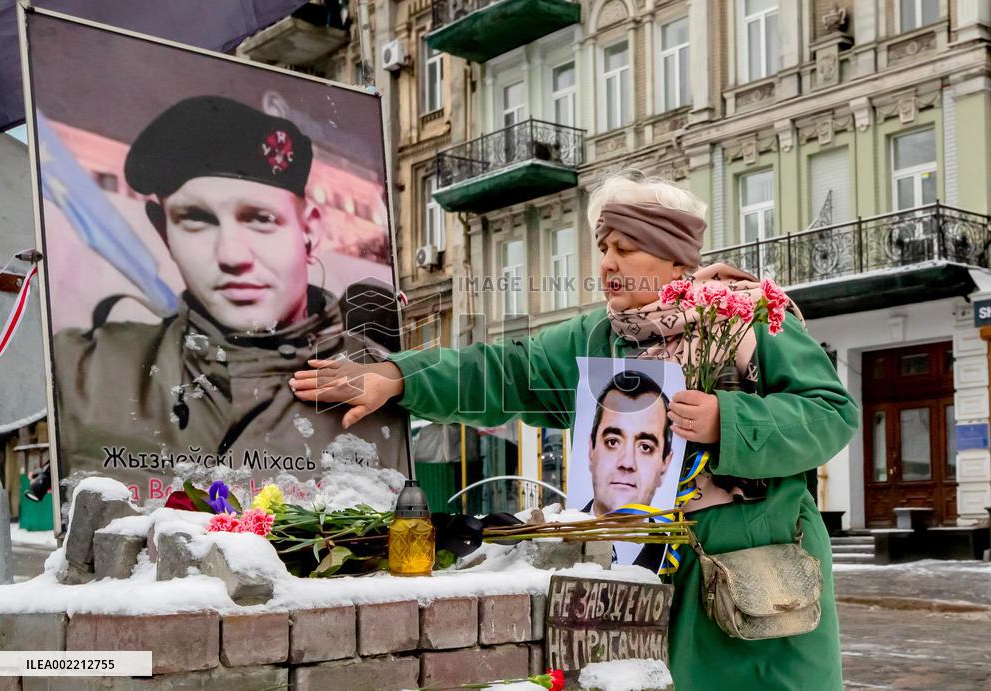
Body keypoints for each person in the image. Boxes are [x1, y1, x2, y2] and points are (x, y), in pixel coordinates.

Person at [290, 173, 858, 690]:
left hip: (753, 583)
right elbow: (504, 372)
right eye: (603, 248)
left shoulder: (746, 319)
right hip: (641, 577)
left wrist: (725, 421)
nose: (608, 262)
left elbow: (831, 413)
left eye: (626, 247)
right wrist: (397, 377)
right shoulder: (597, 337)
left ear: (677, 261)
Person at [52, 95, 409, 500]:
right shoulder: (84, 372)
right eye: (197, 220)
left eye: (260, 219)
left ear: (308, 231)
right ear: (163, 231)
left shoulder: (380, 380)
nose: (232, 256)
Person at [587, 370, 674, 516]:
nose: (627, 463)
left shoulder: (680, 538)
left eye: (645, 447)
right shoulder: (555, 531)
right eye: (613, 442)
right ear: (591, 450)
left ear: (665, 464)